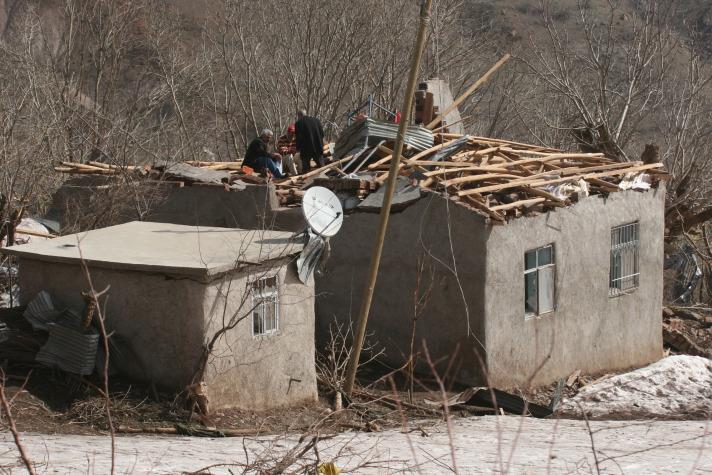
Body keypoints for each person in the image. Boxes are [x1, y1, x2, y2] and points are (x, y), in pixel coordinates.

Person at [294, 109, 325, 174]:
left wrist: (298, 148)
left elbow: (298, 138)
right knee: (322, 167)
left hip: (306, 149)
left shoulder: (298, 123)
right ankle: (325, 179)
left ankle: (307, 182)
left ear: (299, 116)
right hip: (318, 146)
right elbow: (322, 134)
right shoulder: (317, 120)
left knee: (306, 170)